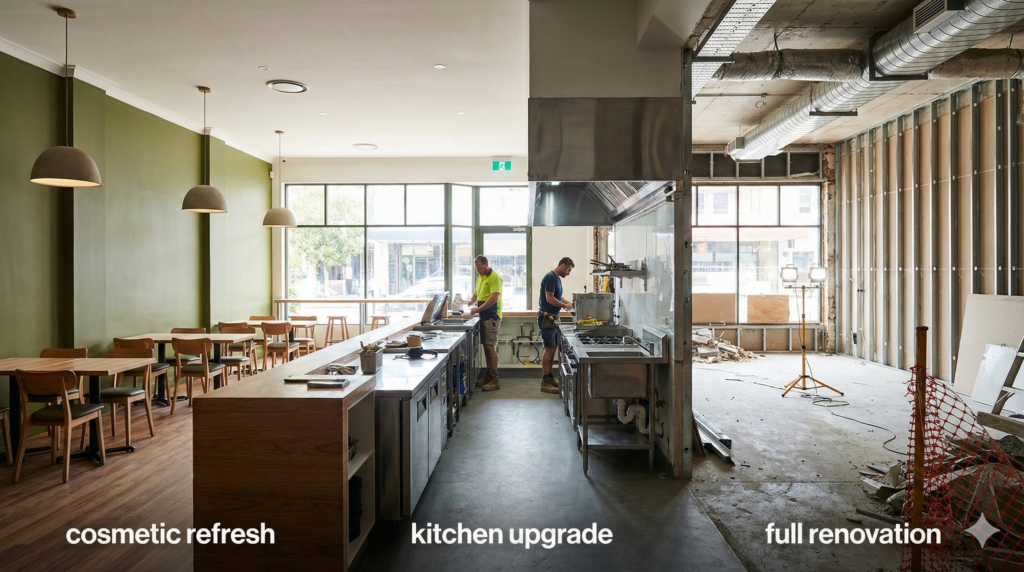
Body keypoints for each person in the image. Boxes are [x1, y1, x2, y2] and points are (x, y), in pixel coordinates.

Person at [537, 257, 574, 394]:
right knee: (549, 348)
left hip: (553, 318)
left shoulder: (557, 279)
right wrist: (565, 306)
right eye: (568, 270)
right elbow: (550, 298)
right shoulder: (550, 277)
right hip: (546, 318)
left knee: (553, 347)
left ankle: (549, 377)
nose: (569, 273)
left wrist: (570, 304)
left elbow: (558, 297)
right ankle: (545, 382)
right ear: (563, 265)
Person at [468, 255, 503, 391]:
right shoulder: (480, 278)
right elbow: (476, 295)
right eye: (477, 269)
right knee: (486, 348)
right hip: (483, 316)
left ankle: (494, 379)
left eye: (481, 268)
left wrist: (478, 309)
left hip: (491, 316)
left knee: (490, 347)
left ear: (486, 264)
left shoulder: (495, 277)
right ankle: (488, 376)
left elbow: (494, 298)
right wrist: (468, 303)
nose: (479, 271)